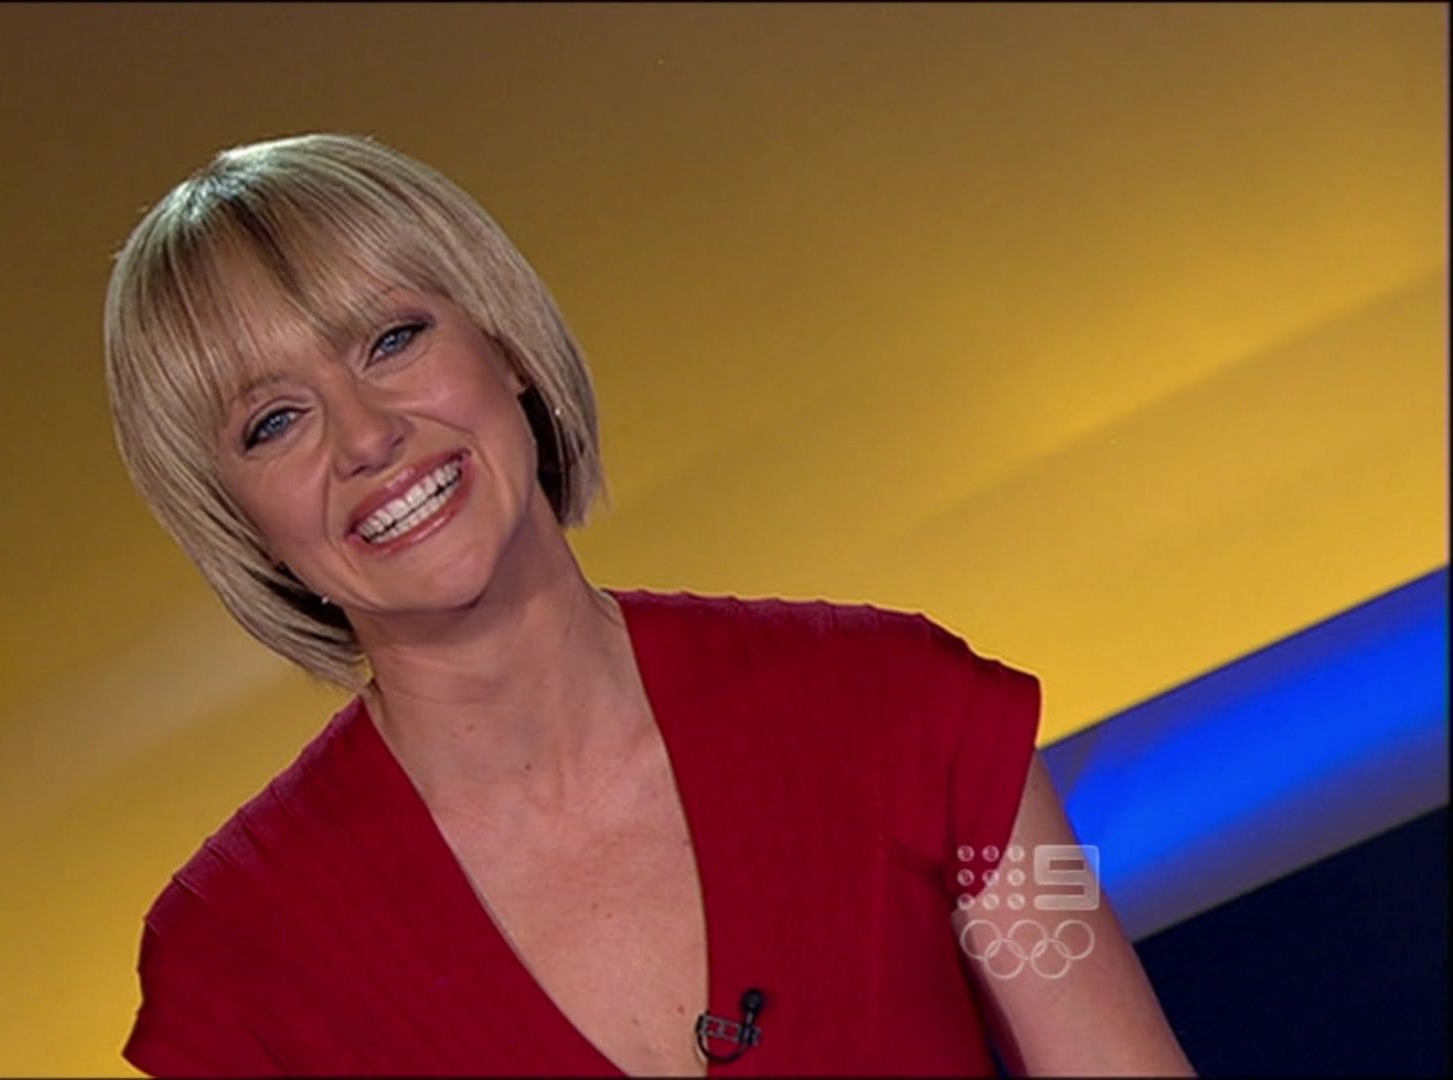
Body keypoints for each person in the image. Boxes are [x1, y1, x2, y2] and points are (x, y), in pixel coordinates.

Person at [101, 132, 1194, 1077]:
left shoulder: (910, 709)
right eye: (274, 422)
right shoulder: (234, 966)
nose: (367, 435)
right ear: (239, 518)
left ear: (503, 347)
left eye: (394, 340)